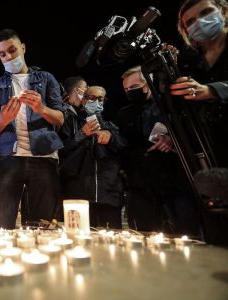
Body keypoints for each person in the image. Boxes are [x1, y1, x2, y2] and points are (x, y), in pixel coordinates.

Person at [0, 28, 66, 229]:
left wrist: (41, 108)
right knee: (1, 224)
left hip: (43, 157)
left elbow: (60, 119)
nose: (8, 57)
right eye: (2, 54)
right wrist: (4, 120)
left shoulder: (46, 78)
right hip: (8, 158)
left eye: (12, 50)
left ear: (23, 48)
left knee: (43, 224)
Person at [115, 66, 200, 235]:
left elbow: (190, 133)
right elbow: (122, 146)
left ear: (147, 84)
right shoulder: (124, 114)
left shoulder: (169, 105)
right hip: (141, 187)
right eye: (126, 89)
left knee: (185, 234)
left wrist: (172, 140)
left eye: (133, 87)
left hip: (173, 182)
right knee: (145, 236)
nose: (129, 92)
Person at [173, 0, 228, 245]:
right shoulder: (191, 63)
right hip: (214, 154)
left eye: (206, 13)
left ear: (223, 12)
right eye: (190, 22)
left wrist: (212, 90)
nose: (199, 23)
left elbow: (206, 93)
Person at [59, 86, 126, 228]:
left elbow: (124, 148)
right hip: (78, 194)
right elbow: (61, 150)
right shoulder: (71, 122)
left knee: (111, 241)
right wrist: (82, 134)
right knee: (78, 240)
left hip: (108, 194)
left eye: (101, 99)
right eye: (92, 98)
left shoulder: (110, 125)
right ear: (83, 101)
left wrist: (111, 137)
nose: (97, 102)